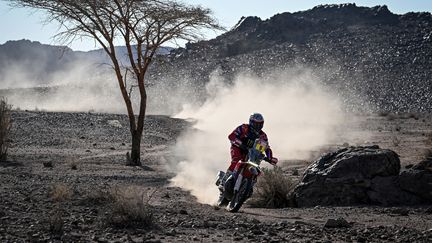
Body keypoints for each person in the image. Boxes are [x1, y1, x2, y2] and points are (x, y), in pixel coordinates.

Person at [217, 113, 277, 206]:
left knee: (256, 168)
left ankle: (247, 189)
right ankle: (223, 181)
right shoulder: (243, 128)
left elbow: (267, 148)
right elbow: (231, 136)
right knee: (236, 161)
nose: (258, 126)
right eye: (256, 123)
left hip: (252, 154)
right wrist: (241, 144)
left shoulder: (263, 136)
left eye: (260, 124)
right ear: (251, 122)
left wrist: (270, 158)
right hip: (238, 148)